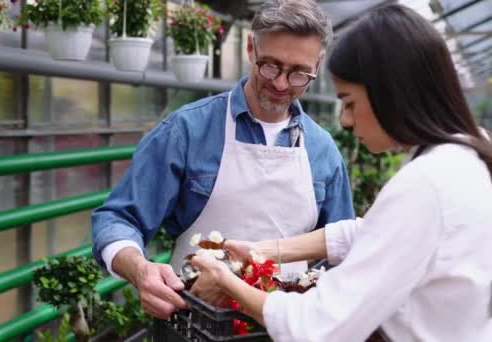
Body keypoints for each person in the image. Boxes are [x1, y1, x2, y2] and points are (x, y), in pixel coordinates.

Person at [190, 4, 492, 342]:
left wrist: (227, 282)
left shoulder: (427, 184)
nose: (346, 121)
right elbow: (371, 233)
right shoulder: (467, 153)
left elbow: (319, 325)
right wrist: (267, 250)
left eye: (349, 102)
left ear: (392, 93)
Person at [91, 0, 355, 319]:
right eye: (270, 65)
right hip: (193, 319)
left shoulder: (322, 150)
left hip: (284, 325)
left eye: (299, 73)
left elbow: (340, 248)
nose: (281, 84)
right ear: (250, 47)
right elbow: (119, 217)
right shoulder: (188, 131)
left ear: (319, 63)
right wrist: (139, 269)